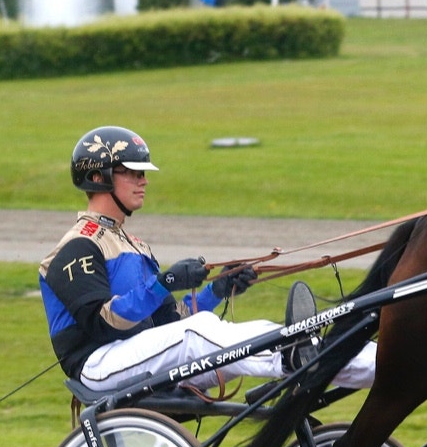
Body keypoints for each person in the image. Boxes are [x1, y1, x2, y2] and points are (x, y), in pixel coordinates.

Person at [38, 126, 375, 394]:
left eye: (143, 173)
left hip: (139, 356)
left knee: (253, 330)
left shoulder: (134, 245)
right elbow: (104, 323)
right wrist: (166, 281)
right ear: (98, 178)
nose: (144, 180)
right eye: (132, 172)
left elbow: (171, 321)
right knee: (198, 335)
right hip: (99, 364)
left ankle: (380, 363)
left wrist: (219, 289)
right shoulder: (76, 248)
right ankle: (290, 355)